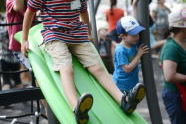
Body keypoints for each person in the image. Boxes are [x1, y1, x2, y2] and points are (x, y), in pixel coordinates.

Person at [21, 0, 146, 123]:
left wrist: (89, 33)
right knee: (66, 68)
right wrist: (24, 39)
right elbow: (29, 12)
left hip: (77, 33)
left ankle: (123, 101)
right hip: (54, 35)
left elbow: (83, 11)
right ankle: (77, 108)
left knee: (97, 67)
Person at [113, 16, 149, 112]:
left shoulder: (132, 43)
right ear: (122, 36)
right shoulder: (120, 50)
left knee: (130, 108)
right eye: (133, 35)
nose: (137, 37)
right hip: (121, 86)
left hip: (131, 84)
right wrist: (139, 54)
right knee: (123, 109)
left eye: (138, 34)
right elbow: (127, 69)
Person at [160, 7, 186, 124]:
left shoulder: (182, 42)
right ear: (182, 28)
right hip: (175, 95)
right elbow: (169, 76)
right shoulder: (171, 47)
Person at [6, 0, 32, 87]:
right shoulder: (10, 1)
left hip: (33, 42)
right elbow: (18, 7)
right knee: (37, 72)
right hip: (19, 46)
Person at [0, 12, 21, 90]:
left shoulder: (3, 27)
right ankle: (21, 98)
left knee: (6, 83)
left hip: (5, 59)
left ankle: (7, 101)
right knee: (17, 82)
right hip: (15, 59)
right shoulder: (16, 27)